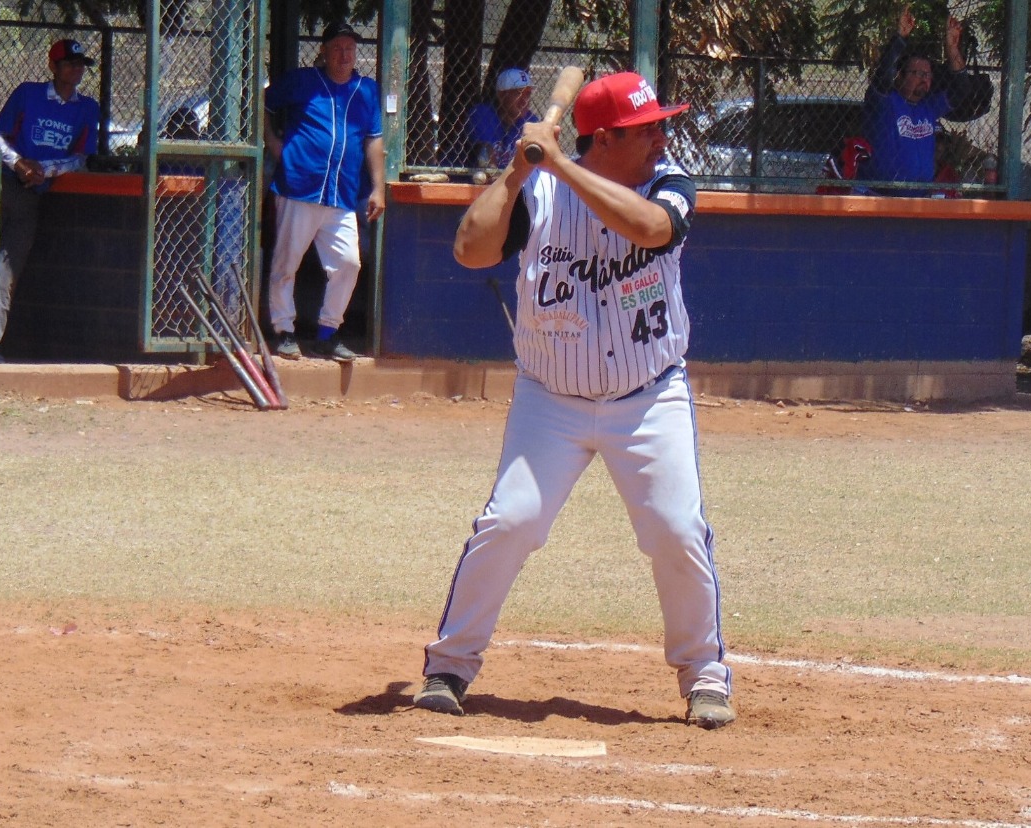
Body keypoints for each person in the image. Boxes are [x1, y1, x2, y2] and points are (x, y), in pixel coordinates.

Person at [412, 71, 735, 729]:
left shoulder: (668, 182)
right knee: (511, 522)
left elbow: (650, 230)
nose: (661, 136)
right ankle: (450, 665)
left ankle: (705, 676)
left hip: (648, 395)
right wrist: (515, 173)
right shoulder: (537, 194)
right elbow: (470, 249)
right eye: (647, 128)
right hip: (550, 399)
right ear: (606, 138)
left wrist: (561, 163)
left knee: (676, 530)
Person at [263, 20, 386, 362]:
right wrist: (272, 142)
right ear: (324, 51)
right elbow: (265, 103)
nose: (344, 54)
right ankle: (284, 331)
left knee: (349, 263)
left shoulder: (367, 90)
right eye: (336, 48)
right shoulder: (304, 81)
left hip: (342, 193)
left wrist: (378, 188)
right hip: (298, 185)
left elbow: (374, 140)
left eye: (349, 48)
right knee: (286, 262)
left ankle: (328, 334)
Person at [0, 38, 101, 365]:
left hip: (33, 193)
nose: (76, 69)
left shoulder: (87, 108)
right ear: (53, 67)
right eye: (69, 63)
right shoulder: (28, 93)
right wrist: (19, 163)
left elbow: (80, 158)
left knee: (5, 271)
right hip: (3, 183)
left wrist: (44, 170)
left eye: (80, 64)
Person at [860, 5, 981, 196]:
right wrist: (900, 37)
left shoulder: (929, 107)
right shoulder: (885, 102)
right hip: (881, 197)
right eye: (917, 73)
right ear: (900, 76)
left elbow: (961, 89)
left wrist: (952, 48)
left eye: (928, 74)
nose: (924, 78)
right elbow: (882, 77)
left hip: (919, 198)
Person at [463, 67, 540, 170]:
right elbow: (486, 160)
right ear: (501, 95)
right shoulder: (483, 114)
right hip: (476, 181)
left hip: (514, 182)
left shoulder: (531, 120)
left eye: (528, 94)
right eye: (518, 93)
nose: (524, 100)